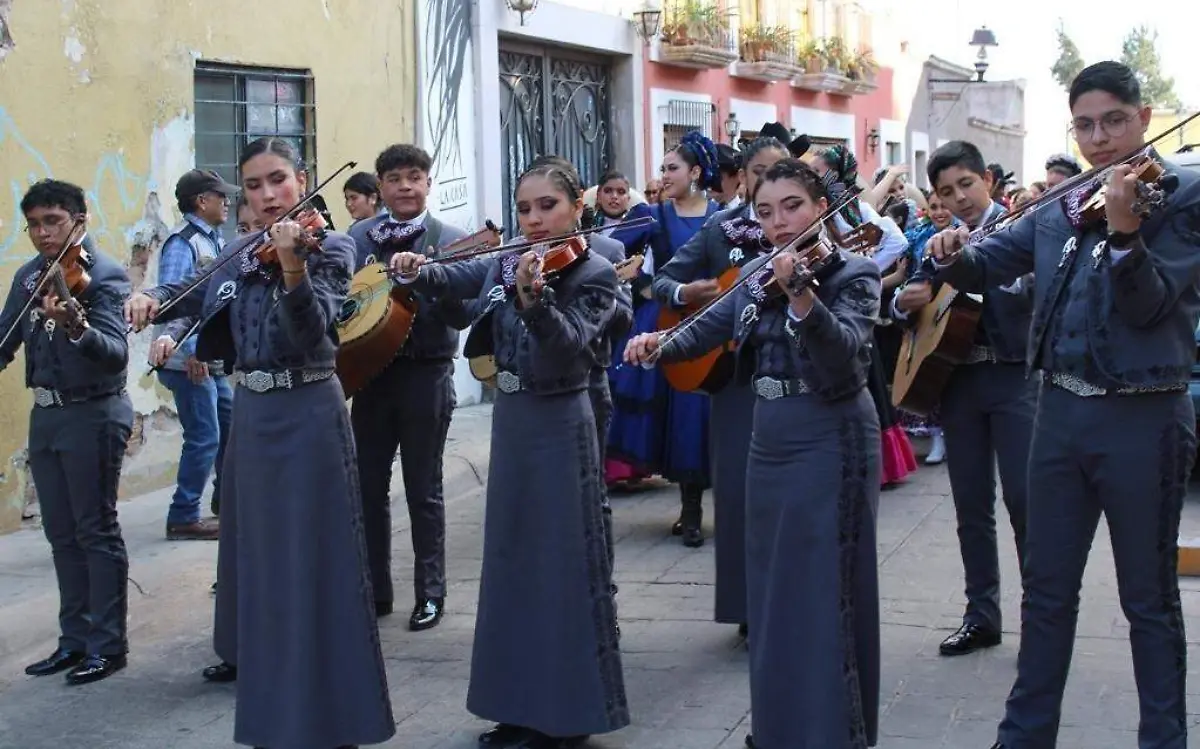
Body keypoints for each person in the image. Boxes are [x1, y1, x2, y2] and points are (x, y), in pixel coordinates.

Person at [924, 62, 1199, 749]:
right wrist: (953, 250)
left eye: (1113, 121)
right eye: (1085, 124)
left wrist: (1130, 231)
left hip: (1144, 415)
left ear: (1144, 116)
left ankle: (1162, 739)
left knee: (1149, 601)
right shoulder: (1060, 204)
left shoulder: (1184, 193)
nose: (1100, 139)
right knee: (1045, 592)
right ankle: (1023, 735)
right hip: (1057, 415)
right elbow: (988, 264)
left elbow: (1153, 305)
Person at [125, 136, 394, 749]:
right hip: (252, 414)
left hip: (307, 410)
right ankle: (275, 703)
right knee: (260, 560)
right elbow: (189, 292)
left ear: (301, 180)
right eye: (253, 185)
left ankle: (334, 716)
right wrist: (151, 301)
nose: (268, 194)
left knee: (316, 561)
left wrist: (295, 265)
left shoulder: (334, 245)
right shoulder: (240, 250)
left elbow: (313, 328)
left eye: (278, 180)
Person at [626, 158, 882, 749]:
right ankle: (780, 727)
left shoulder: (854, 272)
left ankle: (833, 732)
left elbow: (845, 358)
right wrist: (659, 343)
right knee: (772, 590)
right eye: (765, 212)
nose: (779, 222)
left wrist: (803, 300)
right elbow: (709, 325)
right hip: (768, 439)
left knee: (828, 588)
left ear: (820, 208)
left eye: (792, 206)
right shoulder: (756, 271)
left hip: (830, 437)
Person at [390, 160, 628, 749]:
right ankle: (518, 704)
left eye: (548, 206)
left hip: (561, 417)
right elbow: (458, 278)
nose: (534, 219)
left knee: (560, 567)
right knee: (514, 566)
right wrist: (419, 269)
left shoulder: (595, 273)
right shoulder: (507, 259)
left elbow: (573, 350)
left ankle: (565, 716)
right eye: (525, 208)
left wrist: (535, 302)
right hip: (515, 419)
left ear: (577, 206)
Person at [893, 141, 1035, 658]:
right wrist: (904, 301)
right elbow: (910, 291)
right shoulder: (936, 238)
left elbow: (1030, 293)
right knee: (970, 505)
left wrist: (977, 267)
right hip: (956, 382)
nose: (959, 199)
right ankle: (982, 615)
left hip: (1014, 378)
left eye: (966, 186)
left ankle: (1040, 616)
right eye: (946, 192)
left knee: (1024, 501)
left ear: (988, 181)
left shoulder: (1024, 227)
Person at [652, 130, 791, 634]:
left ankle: (788, 603)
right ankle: (746, 608)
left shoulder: (814, 228)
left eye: (781, 173)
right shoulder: (720, 227)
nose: (770, 184)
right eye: (760, 175)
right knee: (735, 495)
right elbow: (662, 279)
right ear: (744, 180)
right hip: (732, 378)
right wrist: (690, 290)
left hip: (791, 378)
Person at [3, 180, 133, 686]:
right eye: (34, 224)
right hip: (48, 415)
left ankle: (108, 645)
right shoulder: (29, 276)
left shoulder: (104, 276)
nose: (42, 233)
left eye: (52, 221)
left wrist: (76, 327)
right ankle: (73, 640)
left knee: (94, 529)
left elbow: (116, 353)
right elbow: (5, 337)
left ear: (80, 219)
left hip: (93, 412)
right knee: (60, 534)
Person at [347, 143, 470, 630]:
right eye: (395, 178)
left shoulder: (452, 238)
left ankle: (431, 594)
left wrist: (429, 280)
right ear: (381, 187)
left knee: (424, 489)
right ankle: (375, 590)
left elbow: (467, 311)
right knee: (367, 488)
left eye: (414, 177)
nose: (405, 186)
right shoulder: (357, 238)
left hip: (427, 373)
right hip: (369, 376)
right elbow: (340, 300)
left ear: (428, 183)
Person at [811, 145, 916, 488]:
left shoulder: (854, 211)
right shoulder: (811, 210)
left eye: (819, 170)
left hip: (845, 306)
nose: (812, 175)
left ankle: (872, 464)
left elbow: (896, 243)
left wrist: (863, 272)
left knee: (861, 377)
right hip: (815, 302)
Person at [147, 169, 236, 538]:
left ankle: (226, 501)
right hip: (190, 360)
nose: (228, 201)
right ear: (203, 201)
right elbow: (177, 301)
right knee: (205, 436)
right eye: (221, 196)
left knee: (230, 428)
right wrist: (193, 352)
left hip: (209, 357)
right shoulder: (183, 243)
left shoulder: (211, 240)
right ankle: (183, 515)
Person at [897, 189, 956, 464]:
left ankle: (944, 438)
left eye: (945, 206)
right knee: (922, 374)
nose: (940, 212)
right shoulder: (916, 237)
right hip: (921, 311)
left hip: (952, 311)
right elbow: (906, 272)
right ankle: (933, 436)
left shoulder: (963, 233)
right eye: (934, 207)